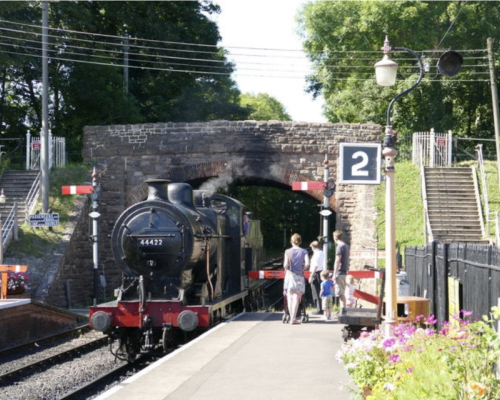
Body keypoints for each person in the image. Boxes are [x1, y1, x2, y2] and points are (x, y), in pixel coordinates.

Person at [283, 233, 310, 325]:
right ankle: (293, 318)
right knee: (297, 297)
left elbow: (285, 265)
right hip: (299, 276)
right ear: (300, 241)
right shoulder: (304, 251)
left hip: (289, 275)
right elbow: (307, 264)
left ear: (291, 241)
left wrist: (287, 269)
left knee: (289, 297)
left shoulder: (287, 252)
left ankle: (292, 317)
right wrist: (303, 269)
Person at [332, 230, 350, 309]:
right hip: (344, 271)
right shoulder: (345, 245)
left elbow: (337, 260)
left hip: (340, 271)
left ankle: (343, 311)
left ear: (335, 237)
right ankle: (342, 310)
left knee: (340, 293)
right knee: (341, 292)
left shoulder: (339, 247)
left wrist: (334, 273)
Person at [308, 240, 324, 315]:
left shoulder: (316, 254)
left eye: (311, 246)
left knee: (316, 291)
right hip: (320, 272)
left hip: (315, 273)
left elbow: (315, 266)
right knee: (319, 290)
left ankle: (319, 309)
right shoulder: (322, 252)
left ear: (313, 247)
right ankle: (320, 308)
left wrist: (311, 276)